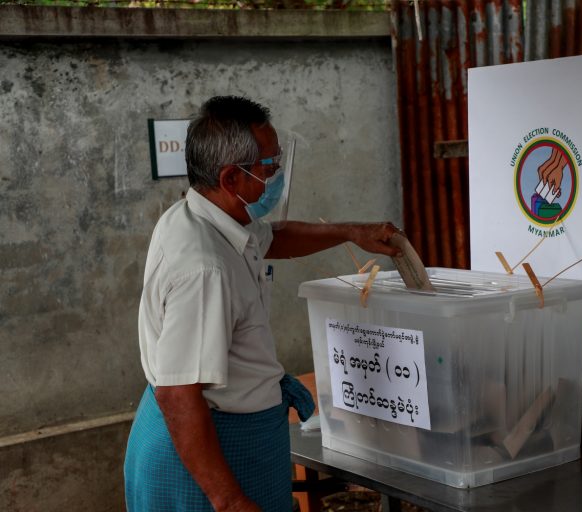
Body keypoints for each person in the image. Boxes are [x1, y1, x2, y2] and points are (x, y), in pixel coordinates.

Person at [124, 95, 402, 512]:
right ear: (231, 178)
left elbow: (275, 237)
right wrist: (230, 500)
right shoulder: (205, 269)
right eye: (269, 168)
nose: (276, 177)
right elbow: (178, 394)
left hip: (232, 436)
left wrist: (351, 232)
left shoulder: (208, 216)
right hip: (204, 454)